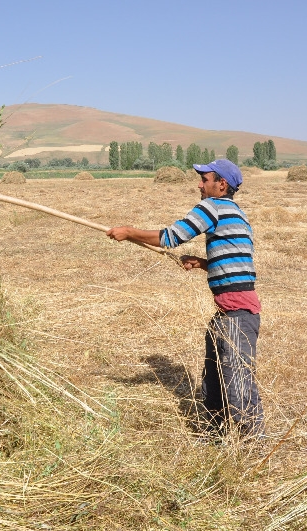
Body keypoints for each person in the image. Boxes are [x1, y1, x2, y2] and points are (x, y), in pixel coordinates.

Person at [106, 159, 264, 439]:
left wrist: (129, 233)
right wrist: (203, 264)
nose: (199, 185)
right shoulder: (237, 213)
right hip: (230, 312)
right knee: (215, 380)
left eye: (205, 180)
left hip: (237, 314)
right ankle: (216, 438)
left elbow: (172, 237)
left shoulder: (212, 206)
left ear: (221, 185)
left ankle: (252, 446)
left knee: (238, 384)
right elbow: (238, 263)